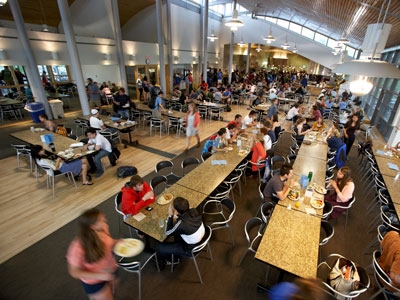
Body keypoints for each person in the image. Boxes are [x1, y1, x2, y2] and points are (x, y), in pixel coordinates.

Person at [66, 208, 117, 300]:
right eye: (101, 220)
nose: (105, 220)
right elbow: (74, 272)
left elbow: (109, 242)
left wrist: (118, 242)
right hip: (95, 281)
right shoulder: (77, 247)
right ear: (92, 226)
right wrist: (100, 275)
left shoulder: (103, 228)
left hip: (108, 271)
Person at [156, 197, 205, 265]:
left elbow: (168, 232)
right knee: (177, 234)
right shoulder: (194, 210)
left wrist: (170, 215)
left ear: (176, 211)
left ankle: (175, 260)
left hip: (191, 249)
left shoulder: (181, 224)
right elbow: (186, 217)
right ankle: (176, 252)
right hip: (202, 239)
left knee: (159, 247)